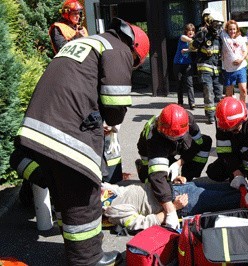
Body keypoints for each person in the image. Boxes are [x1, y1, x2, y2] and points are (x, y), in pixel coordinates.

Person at [13, 17, 150, 265]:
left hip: (38, 128)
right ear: (135, 50)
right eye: (135, 64)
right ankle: (88, 260)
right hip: (65, 133)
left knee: (66, 195)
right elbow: (115, 105)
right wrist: (108, 119)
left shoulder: (87, 43)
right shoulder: (117, 48)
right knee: (84, 198)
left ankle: (76, 252)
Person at [136, 104, 212, 230]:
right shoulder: (155, 136)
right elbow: (158, 176)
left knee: (206, 142)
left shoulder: (187, 119)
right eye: (172, 137)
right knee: (153, 183)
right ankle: (142, 169)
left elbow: (199, 143)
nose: (174, 138)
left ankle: (186, 177)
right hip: (152, 150)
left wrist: (179, 163)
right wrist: (170, 211)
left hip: (177, 143)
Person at [101, 178, 248, 232]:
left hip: (174, 188)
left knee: (234, 189)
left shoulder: (103, 192)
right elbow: (143, 223)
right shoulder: (113, 210)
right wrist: (173, 209)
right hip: (179, 202)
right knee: (236, 199)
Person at [206, 97, 248, 208]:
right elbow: (224, 150)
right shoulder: (222, 120)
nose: (230, 132)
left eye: (235, 130)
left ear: (243, 120)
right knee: (215, 172)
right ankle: (241, 172)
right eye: (226, 130)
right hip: (237, 149)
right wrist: (236, 173)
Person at [190, 10, 224, 124]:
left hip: (216, 68)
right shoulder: (203, 33)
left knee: (219, 93)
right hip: (205, 67)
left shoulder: (219, 35)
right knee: (208, 92)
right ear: (209, 22)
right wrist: (199, 37)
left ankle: (219, 114)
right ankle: (210, 115)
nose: (218, 27)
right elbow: (193, 46)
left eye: (219, 25)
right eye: (216, 25)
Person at [221, 20, 248, 102]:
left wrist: (241, 59)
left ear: (237, 29)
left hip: (241, 67)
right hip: (229, 69)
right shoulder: (224, 37)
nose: (232, 31)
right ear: (227, 30)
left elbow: (245, 51)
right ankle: (229, 110)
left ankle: (243, 107)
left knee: (243, 90)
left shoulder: (240, 39)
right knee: (228, 93)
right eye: (230, 29)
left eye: (234, 29)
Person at [173, 23, 196, 110]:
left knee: (190, 83)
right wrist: (197, 42)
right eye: (189, 30)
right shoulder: (183, 37)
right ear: (186, 31)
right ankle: (180, 102)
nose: (191, 32)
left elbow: (194, 49)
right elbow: (189, 41)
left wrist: (188, 49)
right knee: (179, 83)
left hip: (188, 64)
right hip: (178, 63)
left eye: (192, 30)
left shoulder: (193, 41)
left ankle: (192, 103)